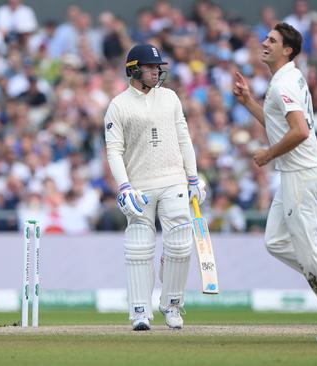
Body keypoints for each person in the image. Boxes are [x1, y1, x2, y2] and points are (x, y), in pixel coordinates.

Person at [233, 23, 317, 343]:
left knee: (309, 253)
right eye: (266, 38)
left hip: (301, 175)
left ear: (287, 50)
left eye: (272, 40)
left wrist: (267, 155)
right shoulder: (284, 78)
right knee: (276, 241)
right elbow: (282, 126)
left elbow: (300, 132)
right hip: (297, 174)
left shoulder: (285, 83)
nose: (264, 43)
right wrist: (248, 102)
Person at [104, 44, 206, 331]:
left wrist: (193, 177)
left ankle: (172, 305)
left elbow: (184, 138)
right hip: (139, 187)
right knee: (138, 247)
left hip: (173, 179)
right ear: (133, 69)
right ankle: (139, 311)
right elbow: (114, 150)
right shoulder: (118, 105)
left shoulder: (170, 97)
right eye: (150, 67)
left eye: (157, 67)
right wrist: (124, 187)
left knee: (180, 243)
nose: (156, 71)